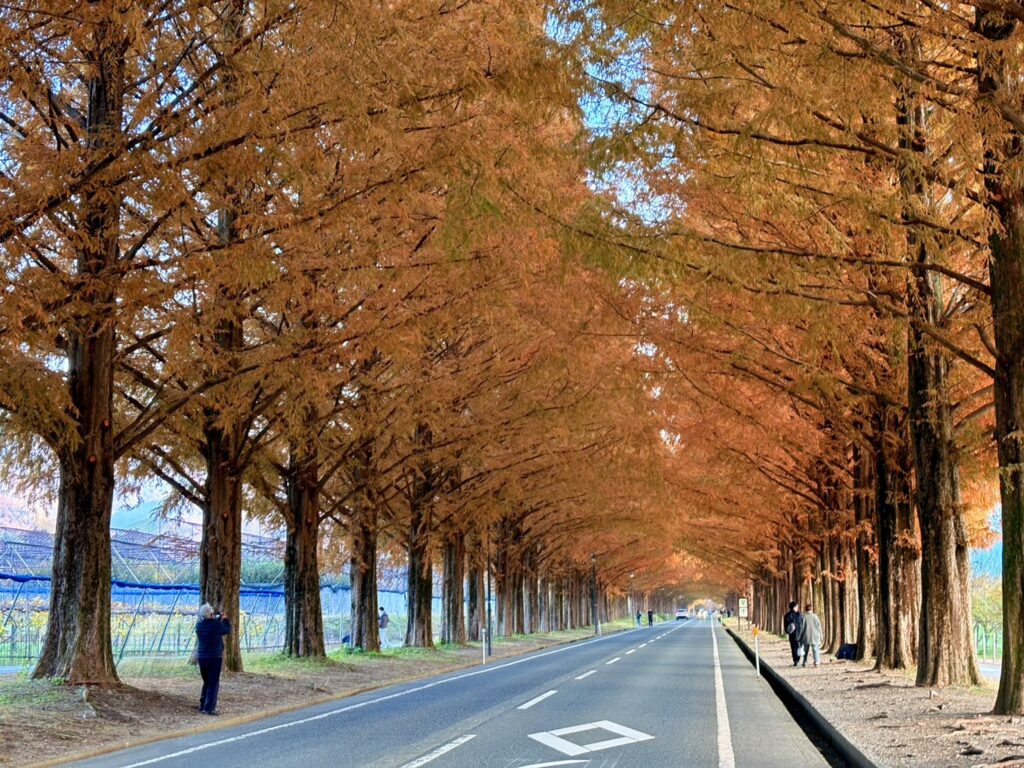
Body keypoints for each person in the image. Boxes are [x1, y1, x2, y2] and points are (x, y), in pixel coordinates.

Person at [195, 603, 231, 715]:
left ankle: (202, 705)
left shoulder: (199, 625)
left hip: (202, 657)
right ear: (211, 614)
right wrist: (225, 619)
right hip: (214, 657)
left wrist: (217, 619)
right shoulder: (216, 624)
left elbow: (211, 625)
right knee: (213, 683)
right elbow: (226, 629)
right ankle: (209, 708)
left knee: (206, 681)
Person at [797, 602, 823, 667]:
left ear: (805, 609)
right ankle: (817, 662)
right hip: (815, 636)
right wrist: (821, 636)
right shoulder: (815, 616)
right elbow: (819, 627)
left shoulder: (803, 617)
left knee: (805, 650)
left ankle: (805, 662)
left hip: (806, 636)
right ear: (812, 609)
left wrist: (799, 637)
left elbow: (801, 628)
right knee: (815, 650)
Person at [783, 601, 804, 667]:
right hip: (799, 633)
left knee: (793, 648)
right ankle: (798, 660)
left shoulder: (787, 615)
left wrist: (788, 632)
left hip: (792, 634)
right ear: (794, 607)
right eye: (797, 607)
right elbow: (802, 624)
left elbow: (785, 626)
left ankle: (796, 661)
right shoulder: (799, 615)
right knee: (798, 647)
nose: (797, 608)